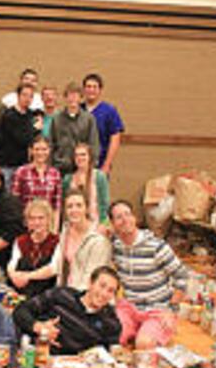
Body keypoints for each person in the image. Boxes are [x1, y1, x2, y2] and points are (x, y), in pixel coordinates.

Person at [0, 266, 122, 356]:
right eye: (102, 285)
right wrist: (37, 326)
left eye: (110, 291)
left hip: (31, 358)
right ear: (90, 283)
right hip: (11, 329)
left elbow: (109, 356)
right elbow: (21, 310)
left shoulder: (110, 322)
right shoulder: (63, 294)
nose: (104, 293)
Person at [109, 199, 189, 350]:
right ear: (113, 224)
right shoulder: (116, 244)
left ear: (134, 218)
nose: (125, 220)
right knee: (113, 338)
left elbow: (182, 276)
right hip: (130, 307)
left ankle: (152, 332)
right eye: (119, 217)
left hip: (158, 309)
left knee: (144, 344)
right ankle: (136, 329)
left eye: (128, 214)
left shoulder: (156, 246)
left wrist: (170, 310)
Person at [46, 189, 111, 290]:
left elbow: (91, 280)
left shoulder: (98, 239)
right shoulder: (65, 231)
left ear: (87, 209)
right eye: (69, 206)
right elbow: (55, 267)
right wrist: (27, 275)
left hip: (86, 296)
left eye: (79, 205)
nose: (74, 210)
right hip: (64, 290)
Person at [6, 199, 59, 298]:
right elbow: (12, 264)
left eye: (41, 218)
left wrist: (27, 276)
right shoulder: (20, 241)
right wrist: (13, 275)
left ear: (48, 219)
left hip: (46, 294)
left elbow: (53, 269)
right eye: (32, 219)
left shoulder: (57, 241)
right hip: (21, 291)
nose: (37, 222)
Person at [11, 135, 62, 230]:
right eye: (37, 149)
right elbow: (15, 205)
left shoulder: (55, 173)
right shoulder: (21, 172)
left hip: (48, 226)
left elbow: (57, 206)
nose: (40, 153)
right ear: (31, 151)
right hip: (27, 226)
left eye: (44, 149)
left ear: (49, 151)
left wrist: (54, 231)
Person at [49, 81, 100, 175]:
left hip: (82, 168)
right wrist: (51, 165)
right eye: (70, 95)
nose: (73, 99)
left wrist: (92, 166)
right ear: (65, 97)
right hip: (60, 168)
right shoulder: (56, 119)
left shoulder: (89, 119)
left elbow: (94, 144)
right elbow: (51, 144)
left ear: (81, 98)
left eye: (76, 96)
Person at [0, 83, 41, 185]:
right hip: (8, 165)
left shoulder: (30, 114)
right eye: (24, 95)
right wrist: (35, 129)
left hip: (24, 164)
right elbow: (22, 138)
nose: (27, 99)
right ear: (18, 96)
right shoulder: (9, 115)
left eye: (31, 96)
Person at [83, 73, 124, 175]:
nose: (91, 90)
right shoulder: (78, 109)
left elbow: (115, 138)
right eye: (88, 86)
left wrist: (107, 164)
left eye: (94, 87)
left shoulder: (109, 111)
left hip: (100, 164)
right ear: (83, 90)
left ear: (100, 90)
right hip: (79, 165)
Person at [62, 142, 110, 226]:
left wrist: (103, 225)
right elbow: (65, 206)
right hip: (73, 225)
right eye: (77, 155)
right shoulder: (67, 179)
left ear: (89, 157)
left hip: (95, 225)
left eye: (83, 155)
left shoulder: (99, 177)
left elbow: (105, 205)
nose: (80, 158)